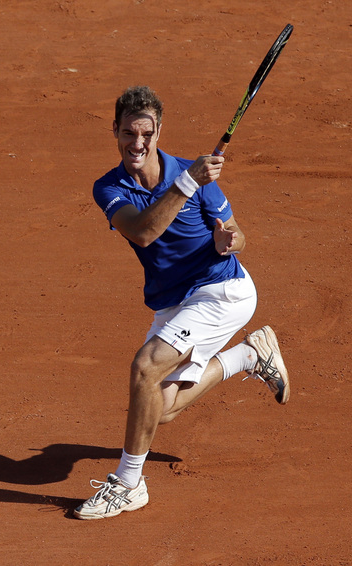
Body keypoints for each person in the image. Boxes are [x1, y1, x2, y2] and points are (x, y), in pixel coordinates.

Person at [74, 85, 291, 520]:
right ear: (115, 131)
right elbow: (143, 232)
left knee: (144, 366)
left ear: (159, 133)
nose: (138, 144)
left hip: (220, 291)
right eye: (129, 134)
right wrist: (187, 181)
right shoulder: (109, 188)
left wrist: (229, 240)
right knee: (162, 407)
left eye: (146, 135)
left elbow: (236, 233)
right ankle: (249, 356)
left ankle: (127, 484)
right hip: (174, 302)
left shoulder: (195, 176)